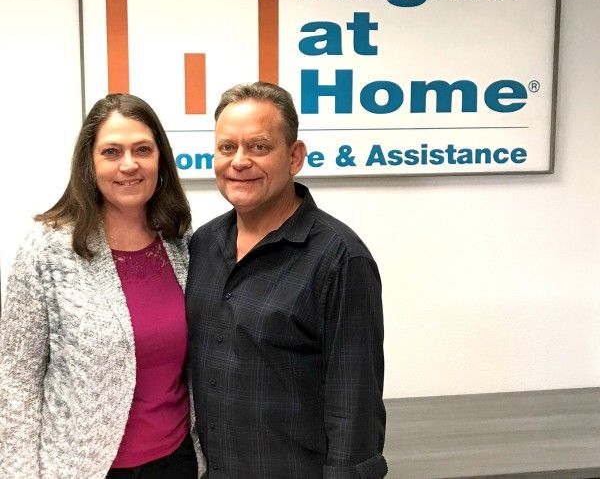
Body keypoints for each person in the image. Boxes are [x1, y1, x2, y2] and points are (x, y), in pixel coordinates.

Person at [0, 93, 206, 479]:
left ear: (160, 158)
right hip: (86, 468)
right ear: (89, 164)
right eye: (112, 152)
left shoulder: (180, 241)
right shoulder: (47, 249)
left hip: (177, 462)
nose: (129, 164)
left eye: (142, 149)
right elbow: (16, 382)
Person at [187, 82, 387, 478]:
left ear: (294, 157)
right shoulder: (203, 245)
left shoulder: (340, 258)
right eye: (227, 148)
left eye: (259, 147)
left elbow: (354, 404)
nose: (239, 162)